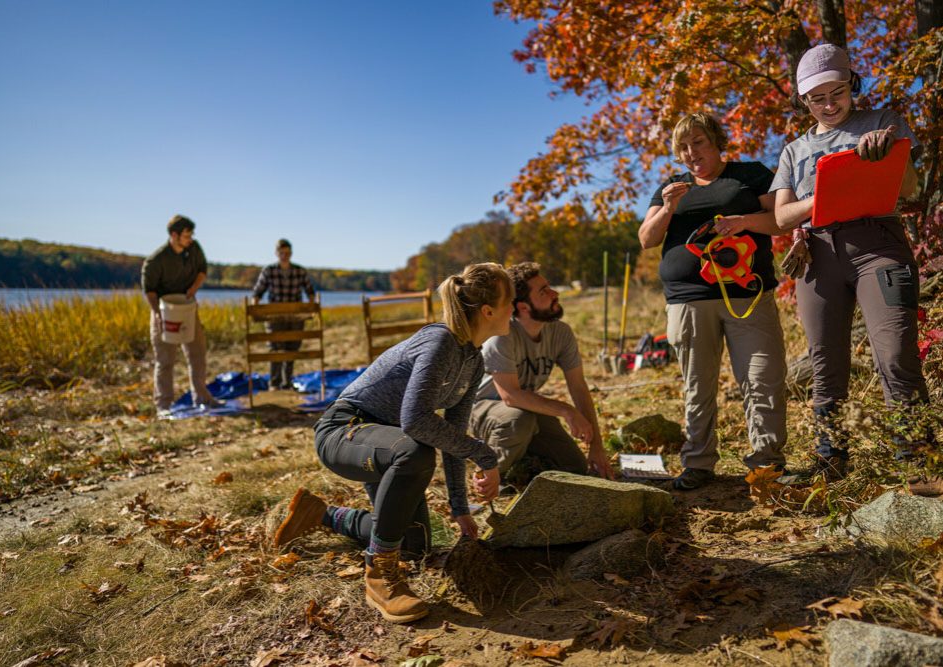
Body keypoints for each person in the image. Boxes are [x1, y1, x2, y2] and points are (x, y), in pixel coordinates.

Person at [270, 263, 511, 624]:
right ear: (489, 311)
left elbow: (453, 435)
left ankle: (320, 514)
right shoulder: (441, 340)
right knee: (414, 450)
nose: (516, 308)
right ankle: (379, 575)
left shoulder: (473, 360)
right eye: (512, 301)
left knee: (415, 545)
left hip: (387, 443)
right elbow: (416, 421)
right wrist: (484, 454)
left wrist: (460, 507)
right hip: (344, 430)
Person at [771, 43, 929, 474]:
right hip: (818, 255)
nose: (828, 104)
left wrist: (887, 152)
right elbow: (783, 215)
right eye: (816, 98)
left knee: (895, 349)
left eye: (836, 93)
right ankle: (831, 456)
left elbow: (909, 187)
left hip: (877, 247)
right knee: (825, 360)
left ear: (852, 85)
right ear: (804, 101)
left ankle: (917, 455)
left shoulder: (882, 123)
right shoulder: (793, 151)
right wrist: (826, 190)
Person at [639, 112, 789, 490]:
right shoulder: (671, 187)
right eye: (683, 147)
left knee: (762, 377)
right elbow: (647, 239)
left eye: (699, 142)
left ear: (716, 141)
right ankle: (698, 464)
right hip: (688, 300)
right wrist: (669, 207)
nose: (691, 153)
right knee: (697, 384)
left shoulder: (751, 174)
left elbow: (782, 220)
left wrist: (744, 222)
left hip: (748, 294)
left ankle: (766, 465)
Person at [468, 262, 615, 485]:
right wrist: (566, 411)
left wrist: (596, 448)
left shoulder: (561, 333)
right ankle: (487, 475)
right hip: (484, 409)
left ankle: (524, 457)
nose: (555, 293)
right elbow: (510, 396)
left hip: (526, 408)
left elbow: (578, 387)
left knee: (574, 466)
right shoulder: (502, 335)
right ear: (524, 307)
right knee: (518, 420)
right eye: (544, 291)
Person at [141, 215, 219, 416]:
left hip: (187, 308)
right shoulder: (156, 261)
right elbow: (149, 291)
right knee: (165, 359)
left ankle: (202, 397)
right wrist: (158, 315)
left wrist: (193, 289)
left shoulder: (193, 249)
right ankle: (163, 405)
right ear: (174, 235)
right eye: (186, 235)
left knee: (197, 353)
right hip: (164, 310)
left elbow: (202, 270)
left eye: (191, 235)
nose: (190, 239)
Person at [251, 239, 316, 390]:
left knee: (292, 349)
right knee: (275, 349)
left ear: (291, 253)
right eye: (281, 253)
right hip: (275, 317)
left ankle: (287, 382)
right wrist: (255, 310)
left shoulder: (299, 271)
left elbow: (310, 291)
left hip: (295, 317)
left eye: (287, 253)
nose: (284, 256)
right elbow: (258, 292)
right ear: (277, 253)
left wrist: (311, 310)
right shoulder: (269, 271)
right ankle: (274, 382)